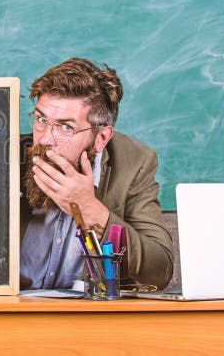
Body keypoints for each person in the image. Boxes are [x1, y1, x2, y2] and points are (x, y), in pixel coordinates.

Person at [20, 57, 173, 291]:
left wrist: (89, 208)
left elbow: (159, 271)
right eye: (41, 119)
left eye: (65, 127)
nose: (45, 139)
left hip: (88, 319)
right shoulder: (9, 155)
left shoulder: (135, 164)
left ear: (101, 138)